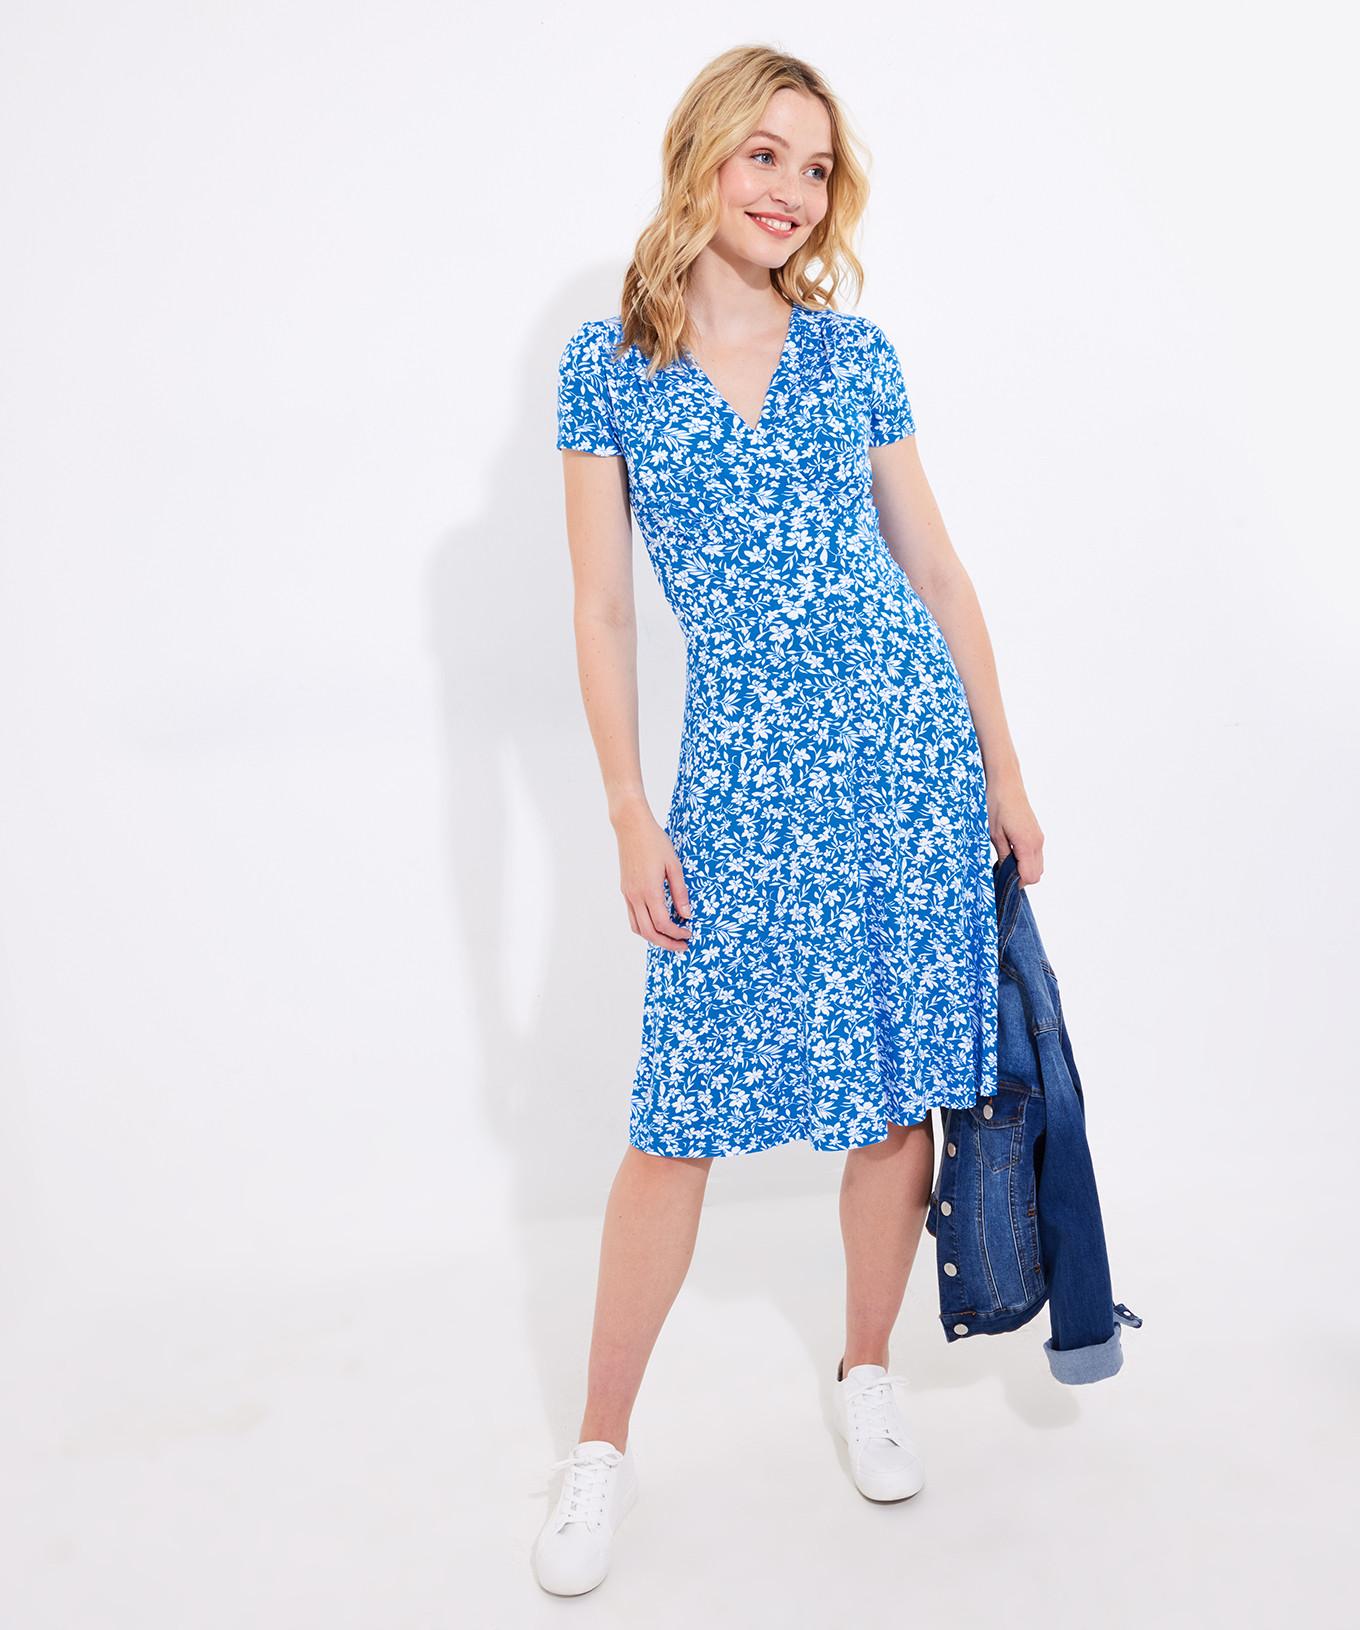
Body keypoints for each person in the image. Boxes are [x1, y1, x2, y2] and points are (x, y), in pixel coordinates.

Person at [532, 44, 1043, 1596]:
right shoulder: (607, 366)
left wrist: (1003, 768)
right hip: (739, 777)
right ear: (700, 154)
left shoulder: (853, 353)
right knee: (673, 1120)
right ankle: (600, 1446)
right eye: (766, 155)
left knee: (894, 1097)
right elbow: (603, 611)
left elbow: (935, 569)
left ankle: (867, 1366)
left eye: (815, 168)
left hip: (902, 753)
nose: (792, 191)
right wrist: (628, 808)